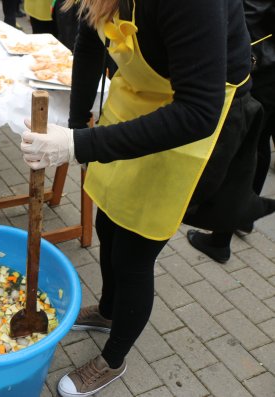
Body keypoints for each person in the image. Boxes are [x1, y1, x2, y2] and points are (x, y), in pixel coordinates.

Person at [20, 0, 275, 396]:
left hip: (190, 117)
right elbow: (89, 43)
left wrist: (79, 145)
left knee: (135, 251)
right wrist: (75, 125)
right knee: (107, 219)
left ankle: (113, 358)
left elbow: (197, 112)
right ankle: (108, 311)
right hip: (137, 94)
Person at [187, 0, 275, 264]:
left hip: (261, 66)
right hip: (266, 63)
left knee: (244, 149)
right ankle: (243, 217)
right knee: (258, 143)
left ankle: (221, 238)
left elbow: (250, 15)